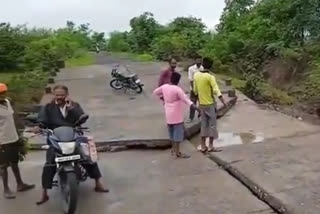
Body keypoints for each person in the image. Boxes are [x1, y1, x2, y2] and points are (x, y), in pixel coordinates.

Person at [34, 85, 109, 205]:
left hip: (72, 136)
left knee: (87, 158)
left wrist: (71, 109)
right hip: (55, 137)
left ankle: (98, 183)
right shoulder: (48, 107)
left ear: (66, 94)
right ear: (53, 94)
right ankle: (44, 194)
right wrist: (39, 127)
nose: (59, 97)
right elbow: (42, 120)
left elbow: (82, 118)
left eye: (62, 95)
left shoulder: (74, 105)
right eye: (57, 94)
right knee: (49, 164)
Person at [0, 83, 35, 199]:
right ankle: (6, 189)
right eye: (0, 93)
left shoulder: (7, 103)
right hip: (2, 141)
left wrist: (20, 132)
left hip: (13, 137)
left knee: (14, 162)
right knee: (3, 166)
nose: (2, 95)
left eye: (3, 92)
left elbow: (13, 119)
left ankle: (20, 184)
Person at [153, 72, 199, 159]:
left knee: (171, 134)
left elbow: (155, 92)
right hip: (177, 115)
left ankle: (174, 150)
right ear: (178, 80)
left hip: (168, 114)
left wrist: (163, 98)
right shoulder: (177, 89)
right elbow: (186, 100)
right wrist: (196, 107)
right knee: (177, 135)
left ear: (170, 78)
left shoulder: (164, 87)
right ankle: (178, 152)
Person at [193, 57, 227, 153]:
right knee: (212, 125)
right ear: (211, 66)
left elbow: (195, 91)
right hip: (210, 104)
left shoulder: (196, 75)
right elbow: (216, 90)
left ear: (203, 64)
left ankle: (203, 146)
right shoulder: (210, 77)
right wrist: (223, 102)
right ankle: (211, 146)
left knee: (203, 125)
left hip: (202, 104)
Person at [187, 57, 204, 122]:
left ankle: (201, 116)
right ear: (195, 60)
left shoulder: (202, 68)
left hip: (201, 89)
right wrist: (194, 89)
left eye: (200, 60)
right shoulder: (191, 69)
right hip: (193, 89)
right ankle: (191, 118)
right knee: (192, 104)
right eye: (197, 60)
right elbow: (191, 80)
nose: (199, 61)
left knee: (202, 103)